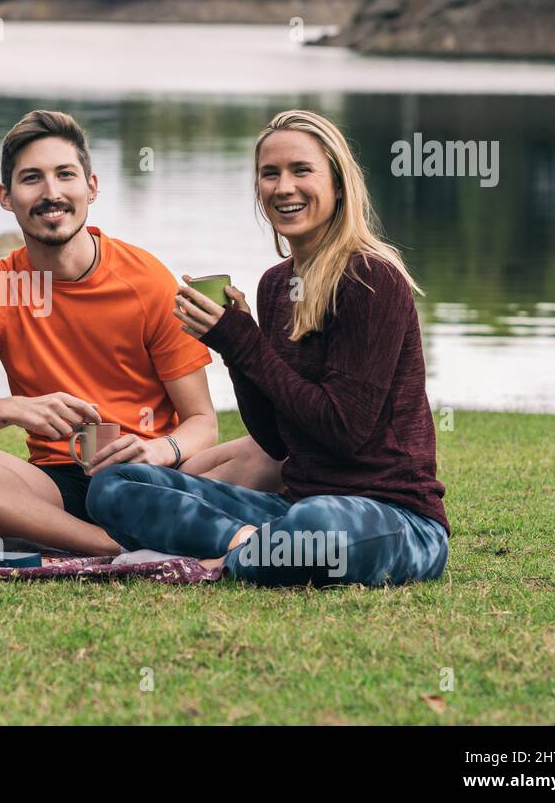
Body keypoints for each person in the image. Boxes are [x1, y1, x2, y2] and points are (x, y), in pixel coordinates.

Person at [86, 110, 450, 586]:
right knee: (114, 486)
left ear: (338, 184)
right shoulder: (277, 286)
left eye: (301, 170)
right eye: (269, 173)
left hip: (394, 521)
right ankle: (251, 546)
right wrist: (234, 348)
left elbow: (345, 431)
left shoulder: (370, 279)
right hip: (293, 505)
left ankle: (233, 553)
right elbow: (277, 441)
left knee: (317, 526)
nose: (284, 187)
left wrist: (243, 341)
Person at [0, 110, 219, 555]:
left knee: (269, 453)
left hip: (154, 476)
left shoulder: (148, 281)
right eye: (31, 179)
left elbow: (204, 421)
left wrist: (160, 451)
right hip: (54, 486)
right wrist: (15, 409)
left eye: (65, 175)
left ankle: (111, 533)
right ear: (6, 197)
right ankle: (110, 550)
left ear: (91, 186)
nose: (51, 194)